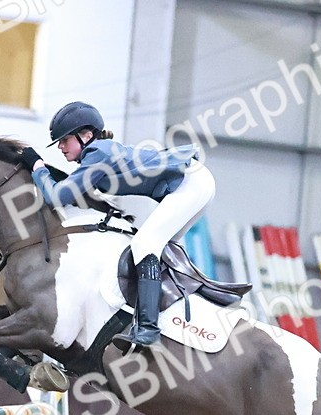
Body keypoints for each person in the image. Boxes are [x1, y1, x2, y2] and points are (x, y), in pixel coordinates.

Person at [18, 101, 216, 348]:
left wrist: (38, 167)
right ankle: (170, 317)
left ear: (86, 135)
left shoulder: (97, 153)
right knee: (156, 250)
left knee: (145, 244)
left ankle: (148, 329)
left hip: (191, 183)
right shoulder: (97, 154)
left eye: (64, 140)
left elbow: (57, 196)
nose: (60, 147)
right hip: (193, 182)